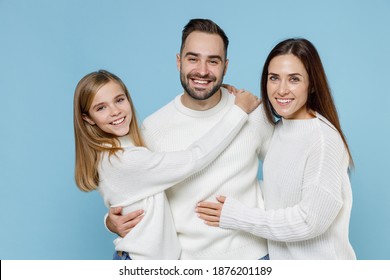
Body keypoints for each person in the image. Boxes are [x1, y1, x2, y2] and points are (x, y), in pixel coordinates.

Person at [106, 19, 274, 259]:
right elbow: (135, 188)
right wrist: (111, 220)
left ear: (225, 67)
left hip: (253, 258)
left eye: (213, 61)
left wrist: (253, 208)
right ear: (179, 61)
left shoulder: (253, 113)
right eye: (193, 59)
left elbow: (288, 176)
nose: (203, 71)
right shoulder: (153, 128)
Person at [73, 69, 261, 260]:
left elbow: (128, 197)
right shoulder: (122, 160)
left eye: (119, 100)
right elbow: (195, 158)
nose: (115, 111)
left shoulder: (122, 145)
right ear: (87, 118)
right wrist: (238, 111)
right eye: (101, 108)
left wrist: (218, 94)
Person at [196, 38, 356, 260]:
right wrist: (224, 94)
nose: (281, 90)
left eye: (294, 79)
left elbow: (309, 222)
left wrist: (238, 215)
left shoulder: (324, 140)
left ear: (311, 85)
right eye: (274, 78)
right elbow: (283, 189)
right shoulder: (280, 128)